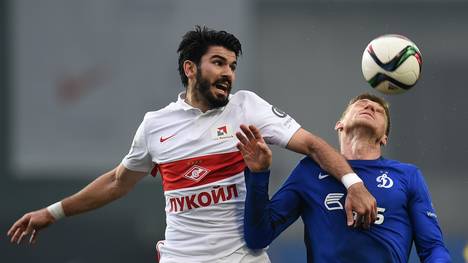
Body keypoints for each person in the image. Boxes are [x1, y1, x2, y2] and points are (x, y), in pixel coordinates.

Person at [7, 26, 376, 263]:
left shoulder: (247, 106)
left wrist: (354, 184)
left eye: (232, 65)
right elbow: (118, 182)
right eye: (218, 63)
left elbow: (312, 145)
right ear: (190, 69)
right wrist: (53, 212)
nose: (229, 73)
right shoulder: (155, 126)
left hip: (243, 258)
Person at [237, 93, 451, 262]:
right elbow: (258, 237)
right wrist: (259, 175)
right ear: (339, 124)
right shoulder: (308, 171)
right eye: (362, 104)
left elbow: (432, 247)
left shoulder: (407, 175)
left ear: (384, 137)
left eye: (378, 110)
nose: (370, 107)